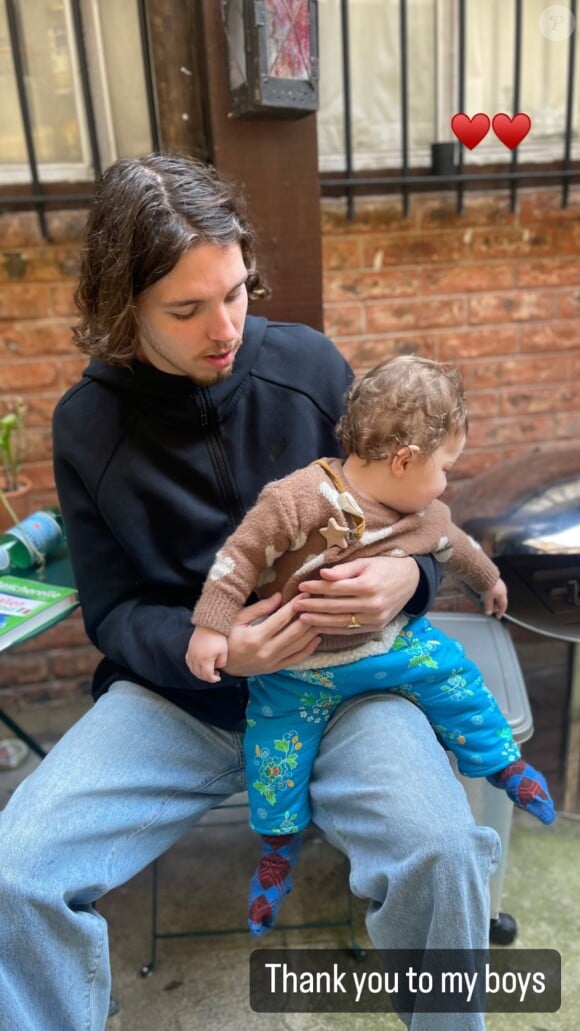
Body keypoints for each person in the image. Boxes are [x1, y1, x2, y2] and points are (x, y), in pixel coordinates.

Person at [0, 153, 500, 1031]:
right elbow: (114, 613)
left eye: (234, 291)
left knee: (444, 848)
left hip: (349, 683)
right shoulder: (87, 426)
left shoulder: (307, 365)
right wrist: (220, 651)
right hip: (178, 704)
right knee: (14, 871)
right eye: (186, 309)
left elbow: (409, 501)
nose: (224, 326)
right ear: (125, 307)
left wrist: (406, 578)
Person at [187, 355, 555, 935]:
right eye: (446, 469)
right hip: (295, 671)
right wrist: (211, 625)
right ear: (405, 460)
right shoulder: (297, 498)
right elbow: (239, 557)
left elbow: (456, 546)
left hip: (392, 650)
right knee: (274, 756)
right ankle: (278, 851)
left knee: (458, 681)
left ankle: (504, 765)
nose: (446, 485)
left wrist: (491, 581)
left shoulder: (424, 513)